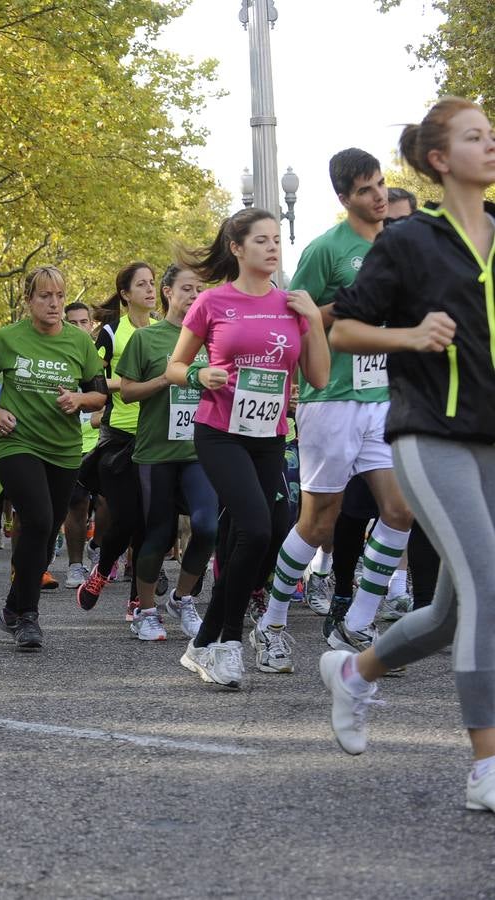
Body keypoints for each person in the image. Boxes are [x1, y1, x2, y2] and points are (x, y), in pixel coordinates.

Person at [319, 96, 495, 813]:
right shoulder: (409, 241)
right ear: (438, 158)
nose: (491, 145)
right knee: (490, 586)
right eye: (476, 137)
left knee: (457, 612)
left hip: (491, 438)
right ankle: (487, 766)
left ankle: (356, 673)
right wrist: (412, 335)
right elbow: (345, 332)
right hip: (427, 433)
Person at [254, 149, 414, 673]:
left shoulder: (400, 247)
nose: (378, 197)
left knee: (400, 510)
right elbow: (296, 319)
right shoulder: (327, 249)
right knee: (319, 522)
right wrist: (349, 305)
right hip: (332, 400)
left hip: (383, 398)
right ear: (344, 198)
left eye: (382, 185)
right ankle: (272, 623)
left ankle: (358, 622)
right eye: (367, 189)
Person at [165, 208, 330, 688]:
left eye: (277, 239)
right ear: (237, 248)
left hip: (269, 436)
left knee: (267, 533)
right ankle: (230, 644)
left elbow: (318, 377)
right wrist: (200, 374)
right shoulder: (213, 302)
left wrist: (314, 321)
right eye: (261, 240)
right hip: (219, 431)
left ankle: (203, 645)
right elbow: (176, 367)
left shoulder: (292, 305)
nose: (273, 248)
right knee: (255, 529)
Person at [0, 265, 107, 650]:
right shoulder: (8, 338)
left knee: (46, 533)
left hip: (63, 449)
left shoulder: (79, 344)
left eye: (59, 296)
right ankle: (28, 616)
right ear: (29, 300)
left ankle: (12, 606)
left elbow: (99, 395)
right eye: (45, 296)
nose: (54, 303)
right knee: (39, 519)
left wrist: (79, 399)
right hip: (18, 442)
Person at [114, 264, 213, 641]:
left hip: (199, 450)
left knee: (207, 528)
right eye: (186, 288)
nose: (193, 295)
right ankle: (145, 610)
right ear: (168, 292)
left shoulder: (212, 340)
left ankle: (183, 599)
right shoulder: (147, 338)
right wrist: (169, 376)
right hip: (156, 451)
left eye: (199, 290)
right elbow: (127, 392)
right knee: (158, 533)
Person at [76, 262, 159, 611]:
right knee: (128, 517)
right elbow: (92, 380)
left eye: (153, 283)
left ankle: (138, 599)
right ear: (126, 294)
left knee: (151, 520)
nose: (150, 290)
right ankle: (104, 568)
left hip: (157, 436)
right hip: (119, 435)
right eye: (142, 285)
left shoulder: (164, 331)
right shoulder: (112, 332)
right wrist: (131, 385)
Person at [61, 301, 103, 588]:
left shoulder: (103, 353)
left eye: (83, 322)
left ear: (92, 325)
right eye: (72, 322)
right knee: (77, 505)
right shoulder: (58, 352)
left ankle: (99, 546)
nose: (79, 327)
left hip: (104, 439)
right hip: (72, 440)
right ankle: (75, 566)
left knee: (109, 503)